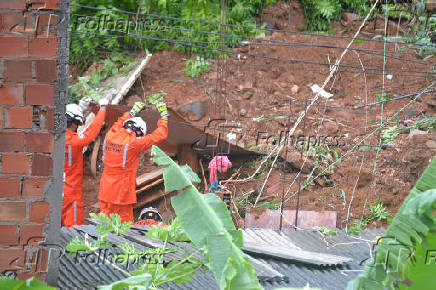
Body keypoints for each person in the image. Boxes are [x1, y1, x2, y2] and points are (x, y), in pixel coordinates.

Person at [97, 102, 169, 223]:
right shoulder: (134, 144)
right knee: (125, 229)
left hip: (106, 191)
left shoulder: (111, 134)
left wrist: (132, 112)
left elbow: (119, 122)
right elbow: (159, 135)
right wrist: (164, 117)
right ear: (139, 132)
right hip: (122, 194)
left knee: (104, 225)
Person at [62, 98, 107, 228]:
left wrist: (80, 108)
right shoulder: (74, 142)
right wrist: (103, 109)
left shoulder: (53, 136)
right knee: (74, 233)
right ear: (75, 123)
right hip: (71, 195)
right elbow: (91, 132)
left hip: (53, 193)